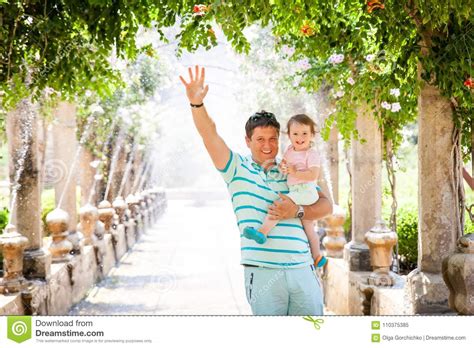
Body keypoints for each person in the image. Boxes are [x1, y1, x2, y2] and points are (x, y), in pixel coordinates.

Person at [179, 65, 333, 315]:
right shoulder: (235, 168)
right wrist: (197, 105)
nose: (268, 146)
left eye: (273, 139)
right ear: (247, 141)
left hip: (303, 270)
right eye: (260, 139)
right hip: (262, 274)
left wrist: (297, 211)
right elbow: (210, 135)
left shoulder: (290, 168)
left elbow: (326, 206)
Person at [242, 114, 328, 269]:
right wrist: (283, 167)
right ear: (288, 135)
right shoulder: (289, 150)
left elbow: (313, 175)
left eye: (304, 134)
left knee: (280, 204)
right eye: (295, 134)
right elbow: (286, 165)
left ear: (312, 135)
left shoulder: (311, 154)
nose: (300, 138)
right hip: (297, 189)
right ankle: (318, 256)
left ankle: (263, 232)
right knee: (308, 226)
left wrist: (293, 172)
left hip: (305, 190)